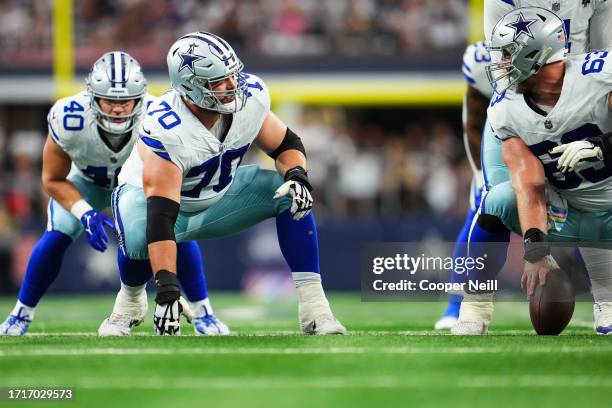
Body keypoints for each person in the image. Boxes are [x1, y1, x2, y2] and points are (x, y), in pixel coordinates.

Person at [102, 32, 346, 335]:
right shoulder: (167, 128)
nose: (232, 86)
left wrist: (297, 175)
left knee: (290, 194)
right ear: (189, 86)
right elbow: (161, 216)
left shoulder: (250, 97)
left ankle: (315, 308)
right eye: (218, 81)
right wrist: (167, 290)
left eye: (232, 75)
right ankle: (129, 301)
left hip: (218, 196)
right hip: (152, 205)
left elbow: (286, 144)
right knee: (137, 235)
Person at [0, 52, 228, 336]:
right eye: (110, 100)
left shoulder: (160, 115)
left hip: (138, 185)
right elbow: (52, 178)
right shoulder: (69, 117)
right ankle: (21, 314)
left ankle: (204, 312)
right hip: (87, 183)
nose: (118, 109)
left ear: (140, 98)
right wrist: (84, 212)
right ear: (93, 98)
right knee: (58, 234)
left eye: (125, 101)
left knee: (174, 230)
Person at [453, 7, 612, 335]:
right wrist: (535, 252)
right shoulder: (505, 109)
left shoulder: (600, 76)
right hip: (566, 210)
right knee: (498, 199)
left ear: (537, 54)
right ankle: (476, 304)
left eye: (508, 53)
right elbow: (527, 183)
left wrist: (601, 146)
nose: (499, 62)